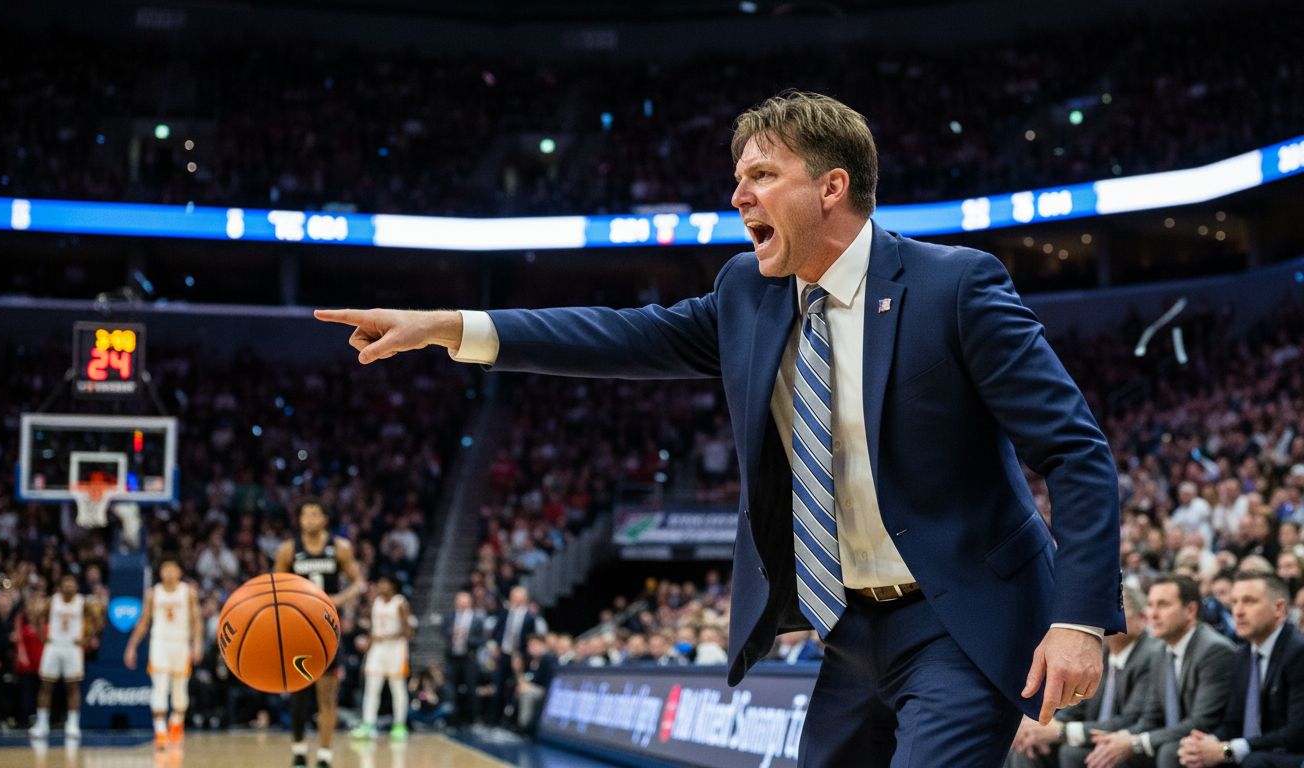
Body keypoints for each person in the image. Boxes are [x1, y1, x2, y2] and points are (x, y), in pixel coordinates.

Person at [314, 89, 1124, 767]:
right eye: (738, 178)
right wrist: (449, 327)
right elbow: (619, 336)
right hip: (848, 630)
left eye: (762, 175)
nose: (738, 196)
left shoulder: (955, 287)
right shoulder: (749, 292)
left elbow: (1076, 452)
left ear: (832, 187)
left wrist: (1079, 619)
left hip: (963, 619)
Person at [1072, 575, 1235, 768]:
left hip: (1211, 745)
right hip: (1168, 740)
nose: (1153, 614)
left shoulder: (1213, 650)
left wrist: (1136, 742)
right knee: (1092, 753)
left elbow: (1201, 722)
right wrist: (1123, 738)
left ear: (1190, 610)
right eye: (1150, 605)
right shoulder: (1160, 652)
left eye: (1163, 605)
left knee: (1169, 752)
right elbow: (1151, 717)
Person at [1009, 585, 1160, 767]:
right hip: (1095, 734)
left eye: (1115, 611)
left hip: (1129, 740)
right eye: (1103, 611)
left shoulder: (1150, 655)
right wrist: (1043, 727)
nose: (1106, 619)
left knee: (1072, 753)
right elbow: (1079, 705)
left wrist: (1063, 731)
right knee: (1029, 747)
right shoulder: (1102, 654)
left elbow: (1131, 719)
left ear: (1142, 618)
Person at [1177, 571, 1304, 768]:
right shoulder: (1242, 655)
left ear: (1279, 608)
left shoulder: (1298, 651)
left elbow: (1296, 733)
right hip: (1255, 752)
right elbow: (1233, 723)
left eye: (1249, 601)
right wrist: (1207, 744)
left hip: (1290, 755)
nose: (1238, 611)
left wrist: (1227, 750)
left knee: (1254, 762)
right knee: (1191, 756)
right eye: (1234, 602)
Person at [274, 497, 366, 768]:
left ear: (325, 519)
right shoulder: (289, 550)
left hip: (327, 632)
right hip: (298, 630)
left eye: (315, 514)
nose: (310, 519)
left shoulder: (339, 548)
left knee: (327, 695)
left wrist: (338, 599)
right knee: (299, 696)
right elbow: (275, 587)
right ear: (299, 519)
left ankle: (325, 754)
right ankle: (299, 750)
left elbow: (358, 582)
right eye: (305, 515)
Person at [123, 557, 203, 749]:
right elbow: (143, 621)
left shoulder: (188, 592)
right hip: (160, 643)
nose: (169, 573)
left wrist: (197, 644)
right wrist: (131, 646)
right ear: (160, 573)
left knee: (180, 690)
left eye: (172, 569)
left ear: (179, 572)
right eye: (165, 569)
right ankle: (159, 730)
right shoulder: (153, 593)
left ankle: (176, 723)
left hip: (181, 643)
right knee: (159, 687)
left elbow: (196, 620)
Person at [30, 575, 102, 739]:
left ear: (76, 586)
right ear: (60, 586)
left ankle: (73, 724)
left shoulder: (82, 602)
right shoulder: (53, 600)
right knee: (46, 686)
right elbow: (38, 617)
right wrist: (42, 636)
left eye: (72, 584)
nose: (69, 586)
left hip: (72, 646)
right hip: (54, 645)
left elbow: (96, 620)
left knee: (73, 687)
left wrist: (87, 638)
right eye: (66, 583)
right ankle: (42, 724)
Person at [351, 576, 414, 742]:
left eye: (384, 583)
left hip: (395, 647)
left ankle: (399, 725)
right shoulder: (377, 602)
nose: (381, 586)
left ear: (392, 585)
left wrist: (393, 634)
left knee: (397, 687)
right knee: (372, 686)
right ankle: (368, 724)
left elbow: (409, 631)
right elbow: (372, 625)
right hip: (378, 647)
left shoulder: (400, 602)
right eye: (380, 583)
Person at [489, 585, 538, 727]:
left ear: (524, 599)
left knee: (516, 688)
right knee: (498, 686)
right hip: (503, 654)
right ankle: (494, 719)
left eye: (518, 597)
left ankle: (511, 721)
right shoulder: (504, 613)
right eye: (513, 597)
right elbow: (496, 632)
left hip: (520, 657)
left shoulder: (530, 617)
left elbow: (531, 639)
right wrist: (495, 647)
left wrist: (522, 656)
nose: (515, 600)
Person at [443, 590, 485, 727]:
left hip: (468, 658)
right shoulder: (450, 616)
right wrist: (452, 634)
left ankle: (473, 718)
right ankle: (452, 718)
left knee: (471, 688)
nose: (461, 605)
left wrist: (466, 639)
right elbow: (443, 631)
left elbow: (481, 640)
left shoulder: (477, 619)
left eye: (464, 602)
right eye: (459, 602)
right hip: (453, 657)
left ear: (469, 603)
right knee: (450, 688)